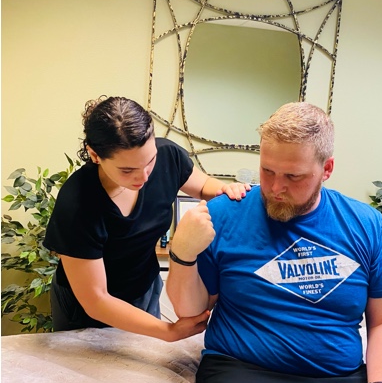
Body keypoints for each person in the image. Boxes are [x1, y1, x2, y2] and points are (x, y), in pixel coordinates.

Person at [166, 102, 382, 383]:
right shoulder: (223, 215)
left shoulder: (366, 224)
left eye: (293, 176)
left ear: (326, 169)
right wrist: (182, 254)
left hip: (338, 377)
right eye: (267, 171)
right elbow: (191, 311)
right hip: (242, 369)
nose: (276, 188)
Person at [43, 95, 250, 342]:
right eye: (127, 170)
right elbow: (96, 299)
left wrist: (226, 189)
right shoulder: (77, 203)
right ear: (95, 155)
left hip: (143, 286)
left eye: (150, 161)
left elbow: (204, 185)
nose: (144, 176)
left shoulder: (168, 155)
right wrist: (169, 332)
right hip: (88, 305)